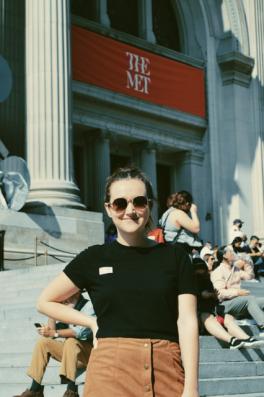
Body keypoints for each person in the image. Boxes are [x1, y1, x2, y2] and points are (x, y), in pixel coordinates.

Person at [36, 167, 199, 397]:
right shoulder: (94, 257)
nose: (130, 210)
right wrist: (90, 323)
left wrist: (191, 387)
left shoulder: (175, 257)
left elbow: (187, 321)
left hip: (165, 369)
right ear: (108, 208)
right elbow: (45, 301)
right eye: (120, 203)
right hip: (108, 372)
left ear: (150, 205)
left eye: (139, 202)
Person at [14, 292, 95, 397]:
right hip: (72, 354)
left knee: (71, 341)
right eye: (62, 299)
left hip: (90, 354)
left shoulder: (89, 306)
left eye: (66, 297)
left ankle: (71, 390)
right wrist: (52, 312)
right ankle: (35, 389)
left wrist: (54, 333)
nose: (64, 301)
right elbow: (52, 333)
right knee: (43, 342)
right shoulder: (68, 309)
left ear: (77, 294)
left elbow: (80, 331)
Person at [195, 259, 264, 349]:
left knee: (228, 318)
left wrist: (213, 295)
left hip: (216, 308)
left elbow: (250, 276)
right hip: (206, 312)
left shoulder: (207, 279)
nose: (202, 273)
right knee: (208, 316)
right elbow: (209, 294)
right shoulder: (214, 273)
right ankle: (234, 340)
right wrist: (205, 294)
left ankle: (247, 339)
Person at [210, 245, 264, 337]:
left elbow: (249, 276)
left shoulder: (235, 268)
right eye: (230, 252)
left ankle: (250, 317)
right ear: (224, 256)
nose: (233, 253)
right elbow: (220, 293)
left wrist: (247, 263)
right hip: (224, 305)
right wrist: (237, 292)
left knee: (261, 301)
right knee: (249, 299)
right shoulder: (218, 271)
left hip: (239, 301)